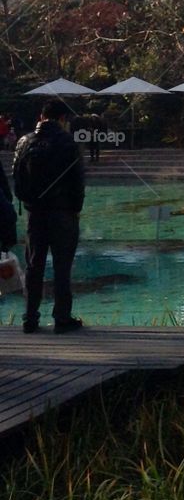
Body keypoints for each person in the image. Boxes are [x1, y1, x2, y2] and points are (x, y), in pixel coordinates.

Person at [12, 97, 84, 334]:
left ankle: (30, 318)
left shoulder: (24, 142)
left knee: (34, 266)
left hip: (35, 213)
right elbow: (77, 183)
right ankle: (62, 318)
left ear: (42, 117)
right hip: (63, 212)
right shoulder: (68, 142)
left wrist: (29, 202)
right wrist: (75, 208)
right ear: (63, 119)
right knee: (63, 267)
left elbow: (17, 179)